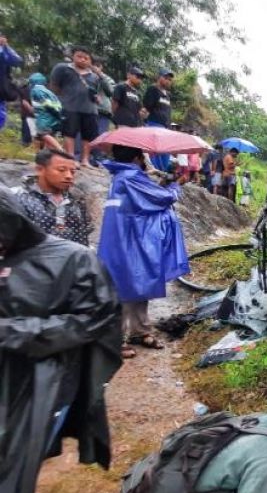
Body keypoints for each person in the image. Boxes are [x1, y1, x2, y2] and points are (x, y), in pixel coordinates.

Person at [0, 187, 122, 493]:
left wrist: (15, 332)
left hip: (46, 386)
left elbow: (97, 318)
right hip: (8, 381)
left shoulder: (73, 258)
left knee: (13, 488)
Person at [98, 145, 189, 359]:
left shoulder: (122, 176)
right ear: (138, 157)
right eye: (144, 157)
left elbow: (145, 199)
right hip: (128, 239)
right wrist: (175, 186)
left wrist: (160, 184)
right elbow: (161, 198)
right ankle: (117, 341)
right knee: (124, 288)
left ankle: (140, 331)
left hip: (128, 238)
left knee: (140, 283)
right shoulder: (130, 177)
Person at [14, 149, 92, 246]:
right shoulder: (18, 197)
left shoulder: (76, 201)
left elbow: (83, 238)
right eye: (61, 170)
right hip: (31, 259)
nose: (69, 176)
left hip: (70, 258)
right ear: (40, 170)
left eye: (72, 172)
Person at [49, 46, 101, 167]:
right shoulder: (63, 68)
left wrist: (97, 98)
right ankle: (70, 158)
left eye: (86, 58)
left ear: (90, 61)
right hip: (70, 107)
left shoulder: (94, 76)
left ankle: (85, 160)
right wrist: (64, 98)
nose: (82, 60)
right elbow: (54, 86)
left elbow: (95, 92)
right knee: (69, 133)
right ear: (73, 56)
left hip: (90, 109)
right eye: (79, 56)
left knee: (88, 136)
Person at [143, 68, 175, 171]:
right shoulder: (153, 89)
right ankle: (154, 172)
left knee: (165, 153)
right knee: (154, 151)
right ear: (159, 77)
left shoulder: (168, 95)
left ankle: (162, 173)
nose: (167, 81)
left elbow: (167, 112)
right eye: (165, 78)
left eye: (169, 79)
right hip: (154, 124)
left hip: (165, 128)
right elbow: (147, 106)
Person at [26, 73, 64, 151]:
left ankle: (60, 150)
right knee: (49, 137)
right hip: (53, 117)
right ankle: (48, 157)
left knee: (43, 134)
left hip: (44, 117)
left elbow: (46, 104)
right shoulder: (48, 91)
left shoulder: (36, 90)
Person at [0, 32, 23, 131]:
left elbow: (17, 61)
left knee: (1, 117)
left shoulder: (4, 51)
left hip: (1, 89)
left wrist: (6, 46)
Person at [90, 56, 115, 136]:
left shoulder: (107, 79)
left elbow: (111, 92)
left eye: (98, 65)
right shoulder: (84, 76)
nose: (95, 68)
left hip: (102, 111)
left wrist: (100, 76)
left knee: (100, 137)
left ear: (101, 67)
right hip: (86, 110)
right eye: (93, 65)